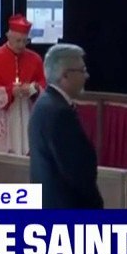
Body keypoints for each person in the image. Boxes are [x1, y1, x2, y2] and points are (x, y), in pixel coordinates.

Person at [28, 44, 102, 209]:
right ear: (65, 75)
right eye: (82, 70)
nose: (87, 75)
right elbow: (75, 171)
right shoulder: (59, 112)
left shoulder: (44, 103)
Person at [0, 15, 46, 154]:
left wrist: (33, 88)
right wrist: (9, 92)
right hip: (1, 114)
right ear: (8, 36)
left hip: (25, 111)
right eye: (18, 40)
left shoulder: (35, 59)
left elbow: (43, 84)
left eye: (25, 41)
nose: (21, 45)